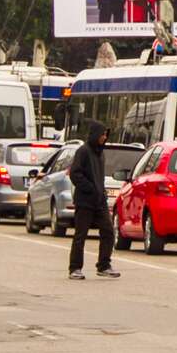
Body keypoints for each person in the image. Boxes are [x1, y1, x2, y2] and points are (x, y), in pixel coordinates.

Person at [66, 120, 118, 280]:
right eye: (102, 134)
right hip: (85, 201)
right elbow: (75, 174)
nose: (104, 137)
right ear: (95, 134)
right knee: (81, 235)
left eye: (105, 135)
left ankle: (103, 265)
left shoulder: (100, 153)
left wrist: (100, 193)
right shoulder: (83, 151)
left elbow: (99, 178)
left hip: (99, 202)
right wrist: (89, 188)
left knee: (108, 231)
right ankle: (75, 268)